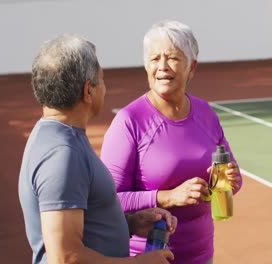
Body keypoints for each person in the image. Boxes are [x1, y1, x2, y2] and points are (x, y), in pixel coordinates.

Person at [18, 34, 177, 264]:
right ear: (88, 91)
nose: (104, 87)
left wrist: (129, 223)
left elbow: (83, 218)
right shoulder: (63, 154)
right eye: (101, 80)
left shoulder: (59, 135)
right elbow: (66, 257)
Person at [100, 20, 242, 264]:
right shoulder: (129, 121)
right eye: (155, 59)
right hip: (147, 258)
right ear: (146, 66)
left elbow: (232, 180)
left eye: (173, 58)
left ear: (192, 67)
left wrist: (230, 180)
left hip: (201, 256)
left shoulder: (205, 113)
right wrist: (167, 197)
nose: (162, 67)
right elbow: (107, 199)